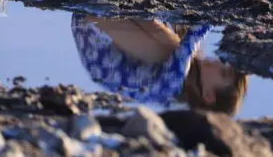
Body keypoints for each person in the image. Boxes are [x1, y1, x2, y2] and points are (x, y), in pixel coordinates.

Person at [71, 13, 248, 115]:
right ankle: (135, 7)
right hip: (98, 24)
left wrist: (219, 15)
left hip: (91, 22)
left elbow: (192, 39)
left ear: (208, 95)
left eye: (223, 73)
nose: (219, 63)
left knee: (172, 48)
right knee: (175, 43)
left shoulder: (171, 87)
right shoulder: (175, 92)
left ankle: (134, 7)